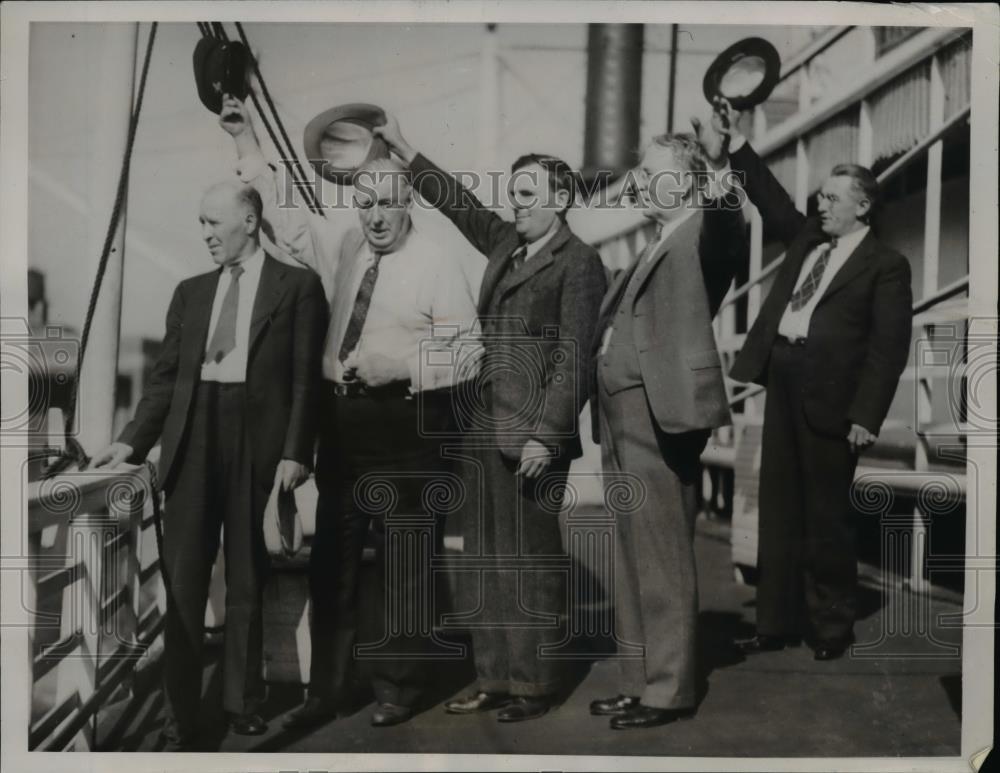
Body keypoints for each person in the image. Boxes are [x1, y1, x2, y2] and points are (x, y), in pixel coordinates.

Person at [219, 96, 482, 728]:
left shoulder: (439, 259)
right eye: (364, 204)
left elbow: (472, 353)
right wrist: (246, 143)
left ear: (407, 201)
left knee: (404, 563)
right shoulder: (346, 247)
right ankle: (328, 688)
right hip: (343, 428)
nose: (375, 217)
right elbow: (285, 218)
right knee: (333, 558)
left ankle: (397, 686)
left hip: (406, 426)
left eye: (387, 203)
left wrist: (407, 368)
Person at [374, 115, 608, 722]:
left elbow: (574, 356)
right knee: (480, 557)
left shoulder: (578, 262)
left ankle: (534, 684)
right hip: (481, 427)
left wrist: (547, 435)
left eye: (529, 194)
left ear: (560, 199)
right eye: (515, 194)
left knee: (529, 563)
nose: (517, 204)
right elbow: (461, 206)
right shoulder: (509, 244)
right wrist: (406, 150)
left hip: (531, 435)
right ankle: (493, 677)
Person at [91, 180, 328, 750]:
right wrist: (129, 443)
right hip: (193, 438)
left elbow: (304, 381)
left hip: (258, 442)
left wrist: (296, 452)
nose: (205, 234)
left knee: (248, 574)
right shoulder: (189, 293)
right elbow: (166, 380)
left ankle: (243, 702)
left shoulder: (297, 287)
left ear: (249, 222)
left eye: (214, 223)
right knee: (184, 582)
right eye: (200, 223)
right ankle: (180, 713)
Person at [716, 98, 913, 661]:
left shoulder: (886, 265)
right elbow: (769, 194)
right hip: (783, 380)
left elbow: (886, 348)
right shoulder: (807, 239)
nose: (819, 204)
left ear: (863, 206)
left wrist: (864, 416)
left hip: (834, 399)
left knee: (826, 516)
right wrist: (736, 142)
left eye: (831, 198)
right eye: (820, 196)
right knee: (778, 507)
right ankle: (775, 623)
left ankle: (831, 628)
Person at [586, 121, 748, 729]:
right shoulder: (654, 243)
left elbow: (734, 230)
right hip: (621, 416)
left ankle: (669, 689)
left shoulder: (702, 233)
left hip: (661, 415)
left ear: (687, 183)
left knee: (660, 555)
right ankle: (638, 679)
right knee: (631, 556)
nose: (642, 186)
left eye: (654, 176)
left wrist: (721, 168)